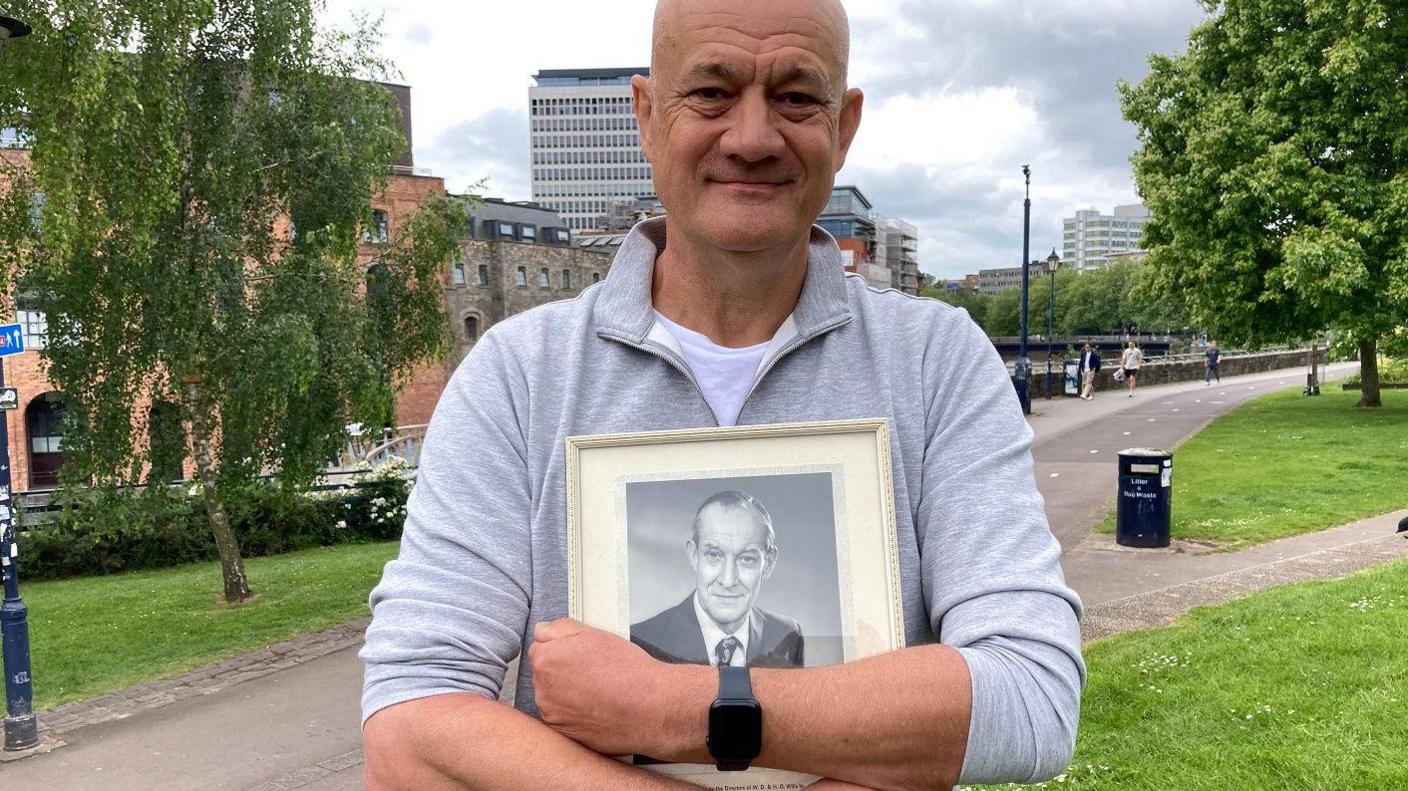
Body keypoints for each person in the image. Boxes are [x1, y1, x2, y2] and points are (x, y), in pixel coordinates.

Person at [361, 1, 1083, 788]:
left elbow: (1031, 696)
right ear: (646, 115)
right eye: (711, 92)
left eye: (796, 97)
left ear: (843, 125)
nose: (751, 137)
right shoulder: (517, 378)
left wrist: (670, 705)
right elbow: (409, 729)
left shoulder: (937, 363)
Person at [631, 491, 804, 668]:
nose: (728, 581)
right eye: (714, 555)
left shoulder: (788, 634)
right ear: (694, 556)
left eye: (746, 559)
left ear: (768, 563)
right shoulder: (640, 643)